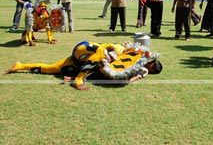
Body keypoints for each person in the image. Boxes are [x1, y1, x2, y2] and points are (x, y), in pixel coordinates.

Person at [6, 41, 163, 90]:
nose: (150, 63)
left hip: (80, 60)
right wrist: (113, 53)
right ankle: (78, 79)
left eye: (152, 65)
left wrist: (136, 77)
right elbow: (111, 47)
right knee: (102, 55)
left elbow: (127, 78)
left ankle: (19, 66)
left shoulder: (141, 68)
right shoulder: (133, 54)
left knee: (50, 68)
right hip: (86, 52)